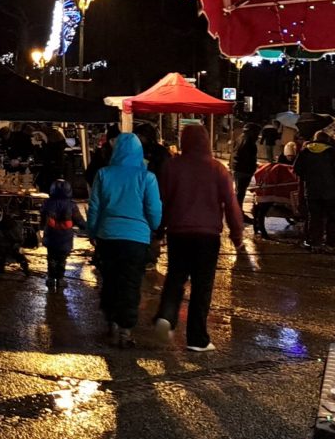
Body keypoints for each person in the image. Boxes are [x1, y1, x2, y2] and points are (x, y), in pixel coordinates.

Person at [151, 124, 243, 352]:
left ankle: (166, 316)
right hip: (207, 236)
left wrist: (159, 229)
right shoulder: (217, 169)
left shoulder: (172, 166)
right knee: (202, 286)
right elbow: (231, 204)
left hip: (178, 233)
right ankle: (197, 338)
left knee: (175, 277)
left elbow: (162, 200)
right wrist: (237, 234)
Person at [86, 132, 162, 349]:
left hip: (108, 236)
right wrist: (154, 227)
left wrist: (92, 231)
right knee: (130, 283)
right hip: (136, 239)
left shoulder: (103, 174)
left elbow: (95, 207)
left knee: (110, 279)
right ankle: (125, 330)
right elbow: (154, 210)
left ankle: (111, 319)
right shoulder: (147, 177)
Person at [294, 132, 335, 253]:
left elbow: (297, 169)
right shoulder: (333, 152)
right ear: (327, 139)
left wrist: (307, 177)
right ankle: (331, 244)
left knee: (314, 217)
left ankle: (315, 243)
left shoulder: (305, 151)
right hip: (330, 191)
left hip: (312, 189)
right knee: (331, 218)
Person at [39, 178, 87, 293]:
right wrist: (86, 228)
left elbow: (42, 218)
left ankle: (51, 278)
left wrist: (41, 227)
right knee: (62, 259)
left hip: (51, 235)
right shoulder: (71, 205)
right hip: (65, 237)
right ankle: (60, 279)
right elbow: (79, 220)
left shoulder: (47, 203)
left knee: (51, 257)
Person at [249, 149, 302, 238]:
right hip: (279, 178)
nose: (290, 158)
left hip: (274, 174)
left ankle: (259, 226)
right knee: (263, 208)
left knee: (261, 208)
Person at [232, 125, 261, 208]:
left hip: (238, 168)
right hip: (245, 170)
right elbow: (248, 157)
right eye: (257, 133)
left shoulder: (239, 139)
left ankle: (237, 209)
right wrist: (253, 165)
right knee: (241, 192)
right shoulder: (249, 142)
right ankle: (238, 210)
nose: (258, 136)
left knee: (239, 191)